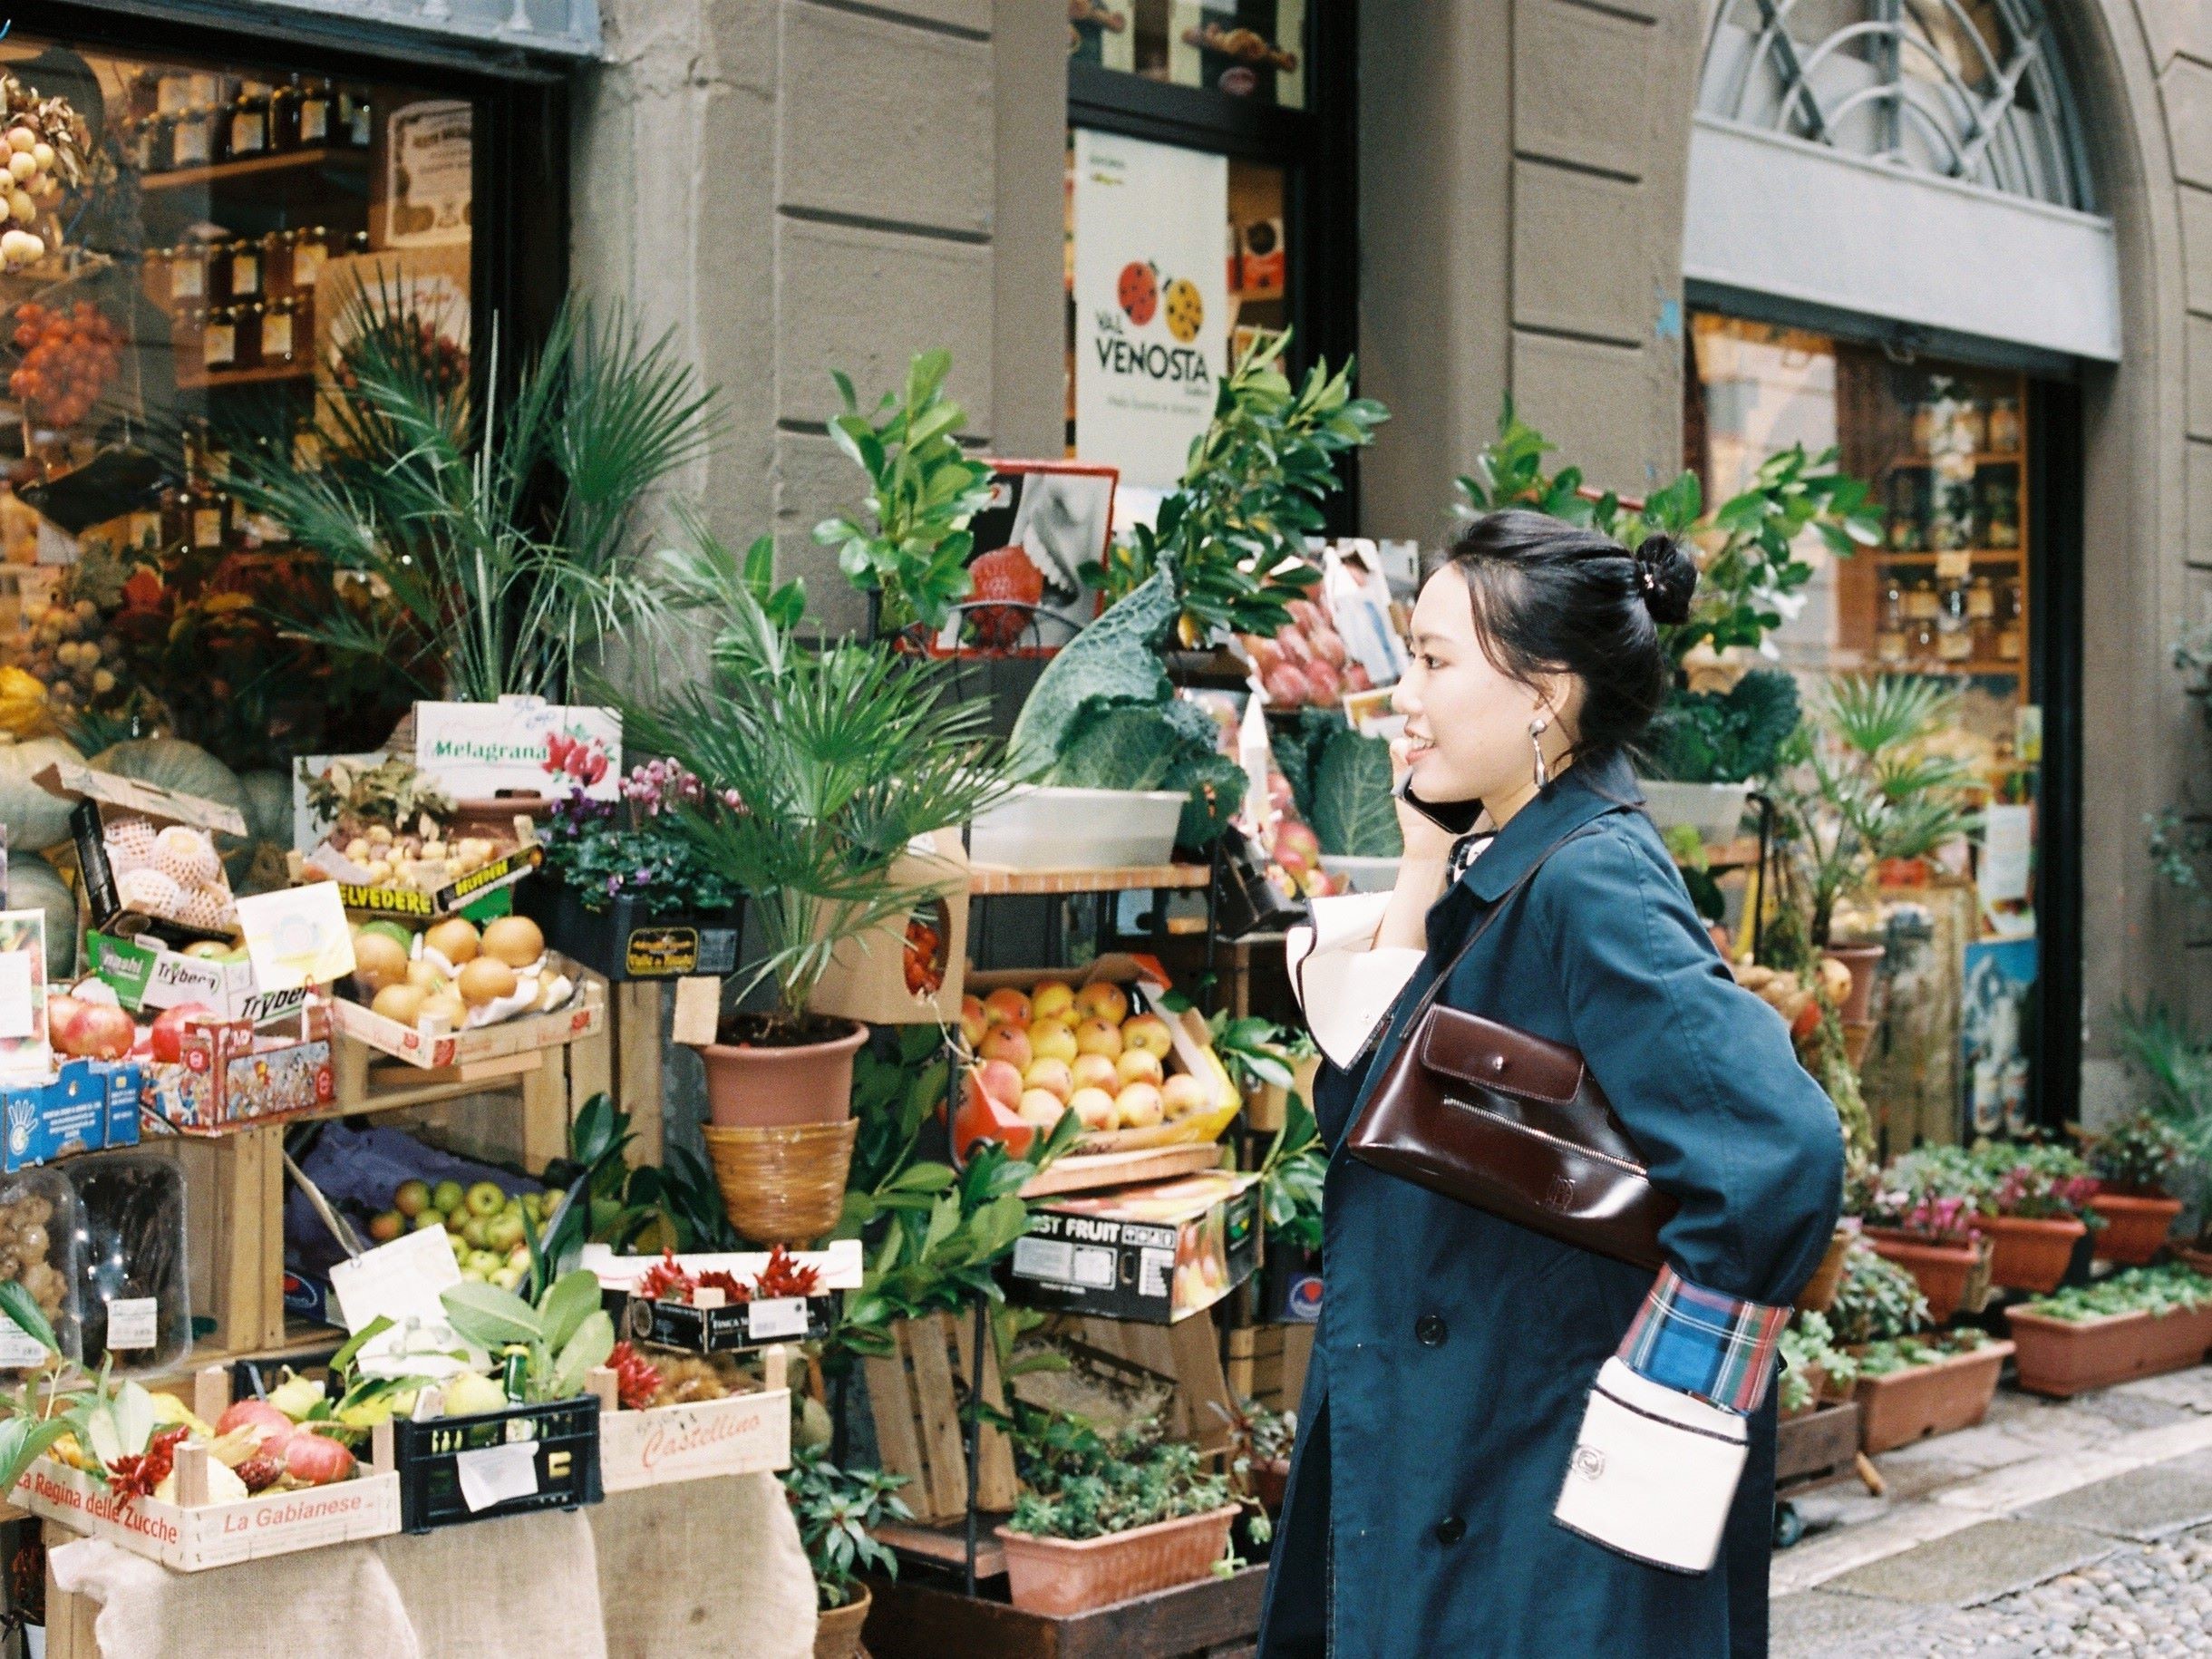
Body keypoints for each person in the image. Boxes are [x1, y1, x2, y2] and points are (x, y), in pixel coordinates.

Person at [1256, 509, 1845, 1658]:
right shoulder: (1518, 859)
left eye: (1431, 662)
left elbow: (1777, 1153)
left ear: (1544, 693)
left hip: (1534, 1492)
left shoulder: (1592, 880)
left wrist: (1656, 1412)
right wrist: (1425, 849)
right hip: (1468, 1452)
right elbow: (1376, 1096)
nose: (1401, 697)